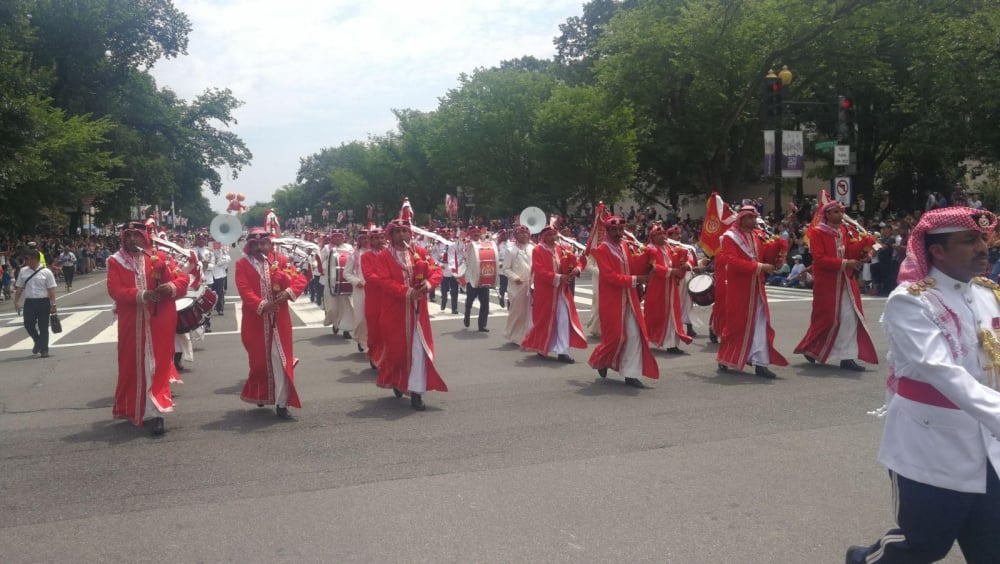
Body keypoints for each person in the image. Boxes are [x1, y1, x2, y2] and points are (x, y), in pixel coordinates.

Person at [846, 207, 1000, 564]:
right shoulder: (912, 301)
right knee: (924, 544)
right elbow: (942, 371)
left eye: (982, 238)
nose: (982, 247)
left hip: (990, 447)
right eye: (969, 240)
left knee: (992, 548)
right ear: (937, 252)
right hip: (932, 444)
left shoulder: (989, 293)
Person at [106, 222, 189, 435]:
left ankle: (157, 412)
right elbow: (114, 289)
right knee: (132, 364)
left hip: (160, 319)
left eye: (137, 235)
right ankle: (133, 407)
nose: (133, 239)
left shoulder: (160, 258)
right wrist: (141, 295)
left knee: (157, 364)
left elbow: (183, 279)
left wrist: (170, 287)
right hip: (131, 322)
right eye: (129, 235)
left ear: (145, 237)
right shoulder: (115, 261)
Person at [371, 219, 447, 410]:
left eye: (405, 231)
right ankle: (397, 379)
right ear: (391, 235)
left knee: (418, 349)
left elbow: (436, 271)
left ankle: (416, 392)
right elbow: (384, 281)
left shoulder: (419, 252)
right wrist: (406, 292)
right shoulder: (383, 257)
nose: (402, 235)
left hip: (418, 313)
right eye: (397, 232)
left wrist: (427, 285)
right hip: (394, 311)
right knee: (397, 351)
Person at [794, 201, 879, 371]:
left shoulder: (845, 231)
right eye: (835, 212)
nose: (840, 215)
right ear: (826, 215)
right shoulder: (818, 233)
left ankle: (847, 357)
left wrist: (865, 249)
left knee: (849, 317)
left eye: (841, 211)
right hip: (827, 282)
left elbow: (851, 250)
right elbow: (819, 259)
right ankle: (812, 348)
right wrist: (846, 263)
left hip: (846, 280)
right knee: (826, 318)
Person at [235, 228, 309, 420]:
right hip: (255, 321)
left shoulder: (281, 261)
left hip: (280, 320)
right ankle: (262, 392)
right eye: (256, 244)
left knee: (281, 359)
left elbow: (300, 279)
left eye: (264, 243)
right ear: (250, 246)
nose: (261, 247)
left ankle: (282, 404)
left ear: (270, 244)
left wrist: (289, 292)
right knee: (259, 363)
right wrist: (262, 304)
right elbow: (244, 290)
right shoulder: (242, 264)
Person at [716, 205, 788, 378]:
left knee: (760, 323)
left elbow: (764, 257)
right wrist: (760, 266)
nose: (754, 221)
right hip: (739, 287)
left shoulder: (757, 236)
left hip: (757, 286)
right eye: (750, 217)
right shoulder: (729, 237)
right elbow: (732, 261)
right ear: (741, 218)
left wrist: (777, 256)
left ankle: (760, 363)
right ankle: (727, 356)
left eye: (755, 217)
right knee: (737, 324)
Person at [587, 216, 659, 388]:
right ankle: (600, 360)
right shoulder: (602, 250)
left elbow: (632, 265)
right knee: (616, 337)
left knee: (635, 334)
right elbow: (610, 276)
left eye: (621, 230)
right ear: (608, 231)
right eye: (614, 230)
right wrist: (636, 279)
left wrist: (647, 258)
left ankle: (631, 374)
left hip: (630, 298)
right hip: (612, 299)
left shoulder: (625, 246)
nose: (619, 233)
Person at [520, 225, 587, 363]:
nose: (552, 238)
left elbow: (578, 262)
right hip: (546, 291)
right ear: (544, 237)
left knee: (563, 319)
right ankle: (541, 345)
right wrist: (558, 277)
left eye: (554, 235)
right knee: (544, 320)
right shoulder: (538, 250)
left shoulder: (563, 249)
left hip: (562, 291)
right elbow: (539, 270)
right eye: (549, 235)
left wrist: (576, 269)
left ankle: (563, 351)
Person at [644, 224, 692, 354]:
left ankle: (672, 344)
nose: (662, 236)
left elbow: (684, 258)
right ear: (653, 236)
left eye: (663, 234)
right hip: (657, 288)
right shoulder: (649, 250)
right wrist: (672, 271)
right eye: (659, 234)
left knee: (672, 316)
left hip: (671, 288)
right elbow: (652, 268)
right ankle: (645, 337)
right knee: (655, 316)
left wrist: (686, 264)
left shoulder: (670, 248)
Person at [13, 249, 58, 358]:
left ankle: (44, 350)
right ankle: (37, 341)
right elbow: (19, 288)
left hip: (43, 301)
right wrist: (16, 302)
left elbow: (51, 290)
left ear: (35, 259)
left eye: (27, 259)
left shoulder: (46, 272)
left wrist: (53, 304)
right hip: (30, 302)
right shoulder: (23, 271)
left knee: (43, 327)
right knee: (28, 323)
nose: (25, 261)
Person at [501, 225, 534, 345]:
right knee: (517, 312)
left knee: (531, 312)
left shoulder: (533, 248)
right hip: (517, 286)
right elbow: (505, 269)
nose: (524, 235)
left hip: (532, 284)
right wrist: (515, 278)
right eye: (521, 233)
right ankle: (514, 336)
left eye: (526, 233)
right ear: (516, 235)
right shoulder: (511, 250)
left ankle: (529, 336)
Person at [322, 229, 355, 338]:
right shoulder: (327, 249)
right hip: (330, 281)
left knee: (347, 306)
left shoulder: (349, 248)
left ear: (343, 237)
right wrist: (317, 266)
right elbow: (319, 261)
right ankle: (335, 322)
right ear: (332, 237)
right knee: (333, 307)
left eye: (339, 236)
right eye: (335, 236)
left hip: (345, 281)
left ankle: (346, 330)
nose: (337, 238)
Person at [463, 226, 495, 332]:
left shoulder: (485, 244)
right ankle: (467, 313)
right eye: (474, 232)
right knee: (470, 300)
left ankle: (482, 325)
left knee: (485, 302)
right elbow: (463, 255)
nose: (476, 233)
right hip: (471, 277)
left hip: (483, 277)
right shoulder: (466, 244)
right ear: (470, 234)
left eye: (478, 232)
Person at [343, 229, 370, 353]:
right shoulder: (354, 254)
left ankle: (370, 343)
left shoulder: (378, 253)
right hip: (361, 289)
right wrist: (356, 281)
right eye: (363, 238)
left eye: (368, 238)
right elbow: (346, 273)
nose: (366, 241)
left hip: (376, 289)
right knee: (361, 318)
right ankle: (361, 339)